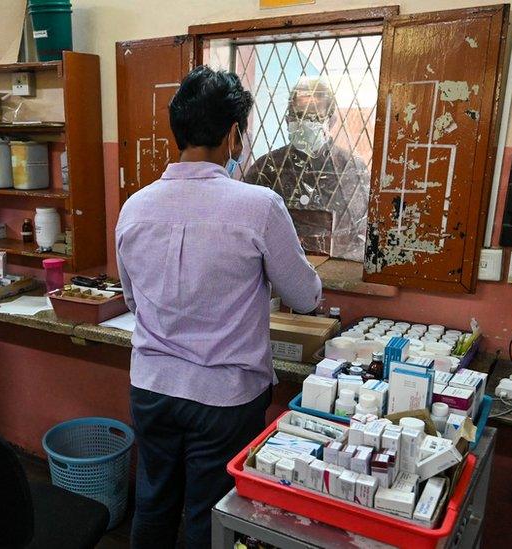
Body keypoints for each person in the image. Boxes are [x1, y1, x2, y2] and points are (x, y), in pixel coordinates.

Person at [116, 66, 322, 549]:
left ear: (179, 130)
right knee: (209, 513)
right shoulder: (259, 205)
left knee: (153, 501)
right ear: (233, 134)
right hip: (224, 398)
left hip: (151, 386)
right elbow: (305, 297)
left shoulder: (134, 207)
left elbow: (131, 297)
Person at [243, 77, 370, 261]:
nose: (305, 123)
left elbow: (361, 236)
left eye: (314, 117)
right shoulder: (266, 169)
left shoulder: (351, 170)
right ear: (287, 120)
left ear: (331, 120)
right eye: (298, 115)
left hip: (337, 270)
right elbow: (245, 228)